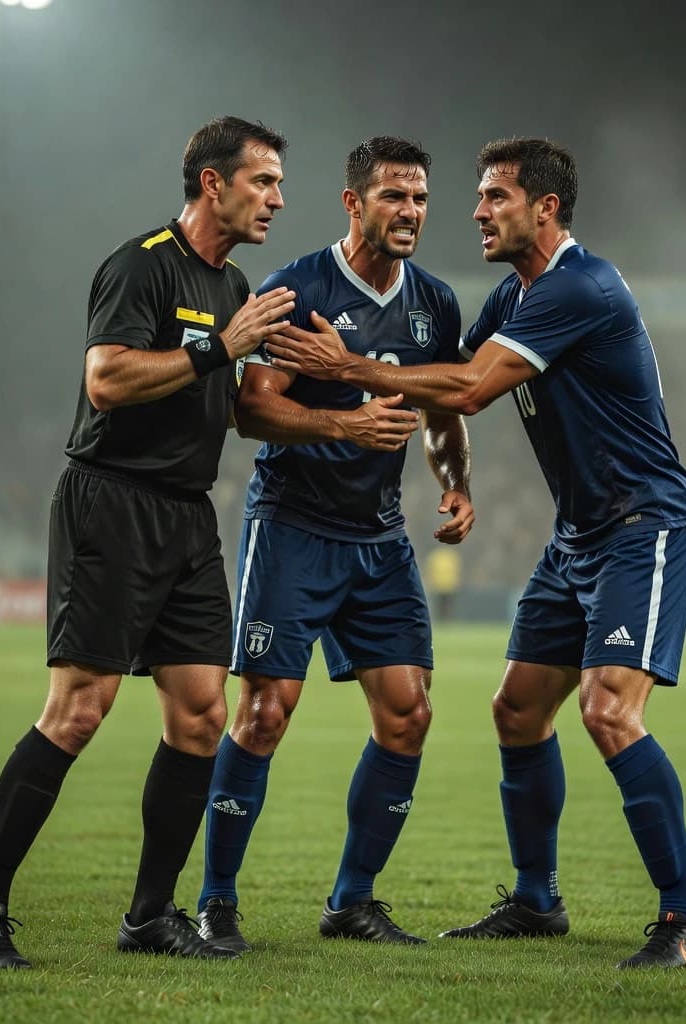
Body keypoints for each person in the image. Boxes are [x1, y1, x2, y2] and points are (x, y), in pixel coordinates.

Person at [265, 137, 686, 970]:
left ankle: (685, 919)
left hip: (643, 526)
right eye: (476, 197)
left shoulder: (580, 285)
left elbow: (469, 388)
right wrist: (454, 472)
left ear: (544, 208)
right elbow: (448, 371)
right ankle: (537, 899)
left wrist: (346, 364)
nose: (475, 212)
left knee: (609, 712)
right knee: (517, 710)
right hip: (579, 533)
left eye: (494, 197)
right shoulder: (517, 295)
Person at [0, 115, 297, 969]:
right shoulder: (140, 264)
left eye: (279, 184)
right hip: (111, 502)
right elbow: (104, 380)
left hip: (187, 515)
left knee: (202, 715)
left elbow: (242, 406)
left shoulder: (235, 283)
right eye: (264, 182)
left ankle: (149, 915)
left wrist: (344, 418)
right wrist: (223, 347)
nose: (278, 199)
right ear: (212, 184)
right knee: (79, 709)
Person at [194, 136, 474, 951]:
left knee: (409, 714)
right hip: (293, 525)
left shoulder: (435, 303)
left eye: (420, 198)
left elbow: (444, 410)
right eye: (394, 196)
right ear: (353, 204)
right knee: (265, 712)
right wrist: (344, 422)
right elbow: (252, 410)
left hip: (378, 538)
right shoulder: (298, 287)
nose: (411, 212)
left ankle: (352, 901)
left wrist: (455, 480)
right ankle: (216, 902)